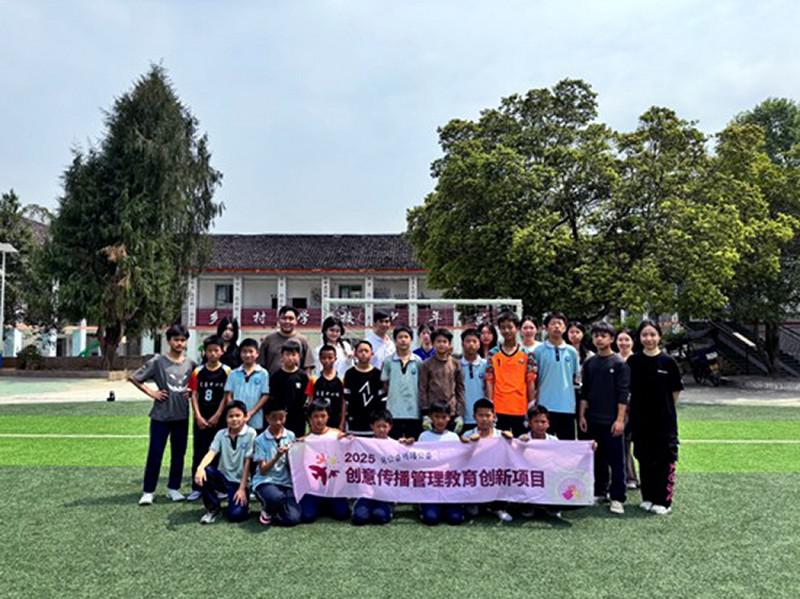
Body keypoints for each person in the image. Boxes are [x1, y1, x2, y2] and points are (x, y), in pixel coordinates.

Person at [129, 323, 196, 506]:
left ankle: (173, 488)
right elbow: (135, 377)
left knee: (179, 453)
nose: (179, 343)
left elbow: (195, 383)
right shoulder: (158, 361)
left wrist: (191, 391)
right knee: (155, 453)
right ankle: (148, 491)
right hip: (160, 417)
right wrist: (152, 393)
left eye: (183, 340)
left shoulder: (190, 363)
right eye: (176, 340)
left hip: (181, 416)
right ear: (168, 341)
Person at [627, 320, 683, 516]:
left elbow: (675, 392)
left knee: (664, 459)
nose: (648, 338)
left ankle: (663, 501)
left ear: (659, 336)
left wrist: (663, 409)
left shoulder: (668, 362)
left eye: (652, 334)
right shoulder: (633, 361)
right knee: (644, 458)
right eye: (644, 335)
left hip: (664, 421)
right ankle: (648, 497)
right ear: (639, 338)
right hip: (640, 420)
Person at [578, 321, 630, 515]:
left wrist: (620, 420)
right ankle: (600, 491)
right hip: (592, 419)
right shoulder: (589, 363)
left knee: (616, 461)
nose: (599, 339)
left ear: (611, 339)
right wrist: (582, 416)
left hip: (612, 420)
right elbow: (585, 391)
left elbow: (623, 394)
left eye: (603, 336)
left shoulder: (619, 363)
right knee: (596, 457)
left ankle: (617, 497)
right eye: (596, 336)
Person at [193, 400, 257, 524]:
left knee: (236, 515)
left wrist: (242, 488)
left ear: (245, 417)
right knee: (205, 471)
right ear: (226, 419)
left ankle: (244, 505)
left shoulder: (251, 433)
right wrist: (200, 468)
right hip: (223, 479)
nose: (234, 419)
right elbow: (211, 453)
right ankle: (213, 508)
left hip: (239, 482)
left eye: (238, 415)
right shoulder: (221, 434)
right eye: (230, 416)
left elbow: (247, 462)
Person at [187, 335, 231, 502]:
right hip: (201, 419)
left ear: (222, 351)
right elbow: (194, 394)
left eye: (216, 350)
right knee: (199, 451)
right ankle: (197, 487)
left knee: (219, 453)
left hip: (219, 419)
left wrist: (218, 415)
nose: (212, 353)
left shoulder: (227, 371)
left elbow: (226, 396)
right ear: (204, 352)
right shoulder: (198, 371)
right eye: (209, 350)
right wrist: (197, 416)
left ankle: (218, 487)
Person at [461, 398, 514, 522]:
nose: (484, 419)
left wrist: (511, 440)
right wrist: (469, 443)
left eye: (488, 415)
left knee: (506, 475)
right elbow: (461, 459)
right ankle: (473, 504)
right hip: (475, 476)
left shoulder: (501, 435)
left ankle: (498, 508)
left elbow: (514, 455)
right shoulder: (468, 434)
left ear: (494, 416)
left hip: (494, 476)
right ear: (474, 416)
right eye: (480, 415)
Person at [297, 399, 351, 523]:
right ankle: (320, 505)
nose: (319, 420)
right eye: (315, 416)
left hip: (333, 488)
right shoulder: (303, 440)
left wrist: (349, 441)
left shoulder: (337, 435)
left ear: (328, 417)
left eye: (323, 416)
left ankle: (326, 504)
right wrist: (295, 447)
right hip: (313, 489)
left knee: (343, 514)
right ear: (310, 418)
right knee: (307, 516)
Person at [485, 312, 537, 437]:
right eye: (503, 327)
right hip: (499, 407)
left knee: (521, 443)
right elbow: (489, 380)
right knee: (499, 444)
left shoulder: (527, 354)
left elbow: (530, 380)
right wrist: (490, 403)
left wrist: (531, 404)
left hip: (520, 407)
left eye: (510, 327)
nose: (506, 330)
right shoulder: (493, 353)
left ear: (517, 328)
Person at [251, 398, 301, 527]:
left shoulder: (291, 435)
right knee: (275, 498)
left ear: (286, 416)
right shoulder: (260, 440)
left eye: (281, 418)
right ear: (267, 418)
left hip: (286, 483)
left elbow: (293, 464)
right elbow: (263, 470)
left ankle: (275, 511)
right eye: (274, 418)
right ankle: (267, 508)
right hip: (265, 481)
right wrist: (277, 456)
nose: (278, 422)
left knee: (293, 519)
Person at [413, 402, 464, 526]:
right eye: (436, 417)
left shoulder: (454, 437)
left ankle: (448, 507)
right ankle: (423, 506)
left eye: (443, 417)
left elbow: (459, 462)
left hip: (449, 487)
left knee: (455, 518)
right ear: (431, 417)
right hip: (430, 487)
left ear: (449, 418)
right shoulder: (424, 436)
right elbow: (419, 461)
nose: (440, 421)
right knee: (431, 518)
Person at [533, 312, 580, 440]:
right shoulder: (538, 351)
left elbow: (575, 376)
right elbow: (534, 379)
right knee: (544, 445)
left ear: (565, 328)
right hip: (544, 406)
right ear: (546, 327)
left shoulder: (571, 351)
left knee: (566, 445)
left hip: (567, 406)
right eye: (553, 323)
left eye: (560, 324)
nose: (557, 327)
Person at [351, 409, 396, 526]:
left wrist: (407, 444)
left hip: (385, 493)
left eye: (384, 426)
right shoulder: (364, 444)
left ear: (390, 427)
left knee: (379, 516)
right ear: (372, 426)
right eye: (378, 426)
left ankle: (389, 507)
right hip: (367, 492)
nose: (381, 429)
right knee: (359, 518)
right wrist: (348, 442)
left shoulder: (395, 445)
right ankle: (360, 504)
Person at [419, 328, 465, 433]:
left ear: (449, 344)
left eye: (444, 342)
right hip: (432, 413)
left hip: (451, 412)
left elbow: (460, 389)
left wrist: (460, 414)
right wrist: (425, 413)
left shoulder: (456, 364)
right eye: (438, 341)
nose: (441, 344)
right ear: (433, 343)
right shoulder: (426, 364)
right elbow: (423, 389)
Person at [381, 325, 423, 440]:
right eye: (400, 337)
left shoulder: (418, 361)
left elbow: (421, 384)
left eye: (406, 337)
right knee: (393, 445)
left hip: (414, 411)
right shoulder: (388, 361)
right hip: (393, 411)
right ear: (395, 340)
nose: (403, 340)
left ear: (411, 339)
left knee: (413, 445)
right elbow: (385, 383)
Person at [268, 340, 314, 439]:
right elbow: (273, 397)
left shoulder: (303, 376)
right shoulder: (276, 376)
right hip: (280, 418)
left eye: (293, 355)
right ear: (281, 357)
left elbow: (306, 397)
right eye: (287, 355)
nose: (290, 358)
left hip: (298, 417)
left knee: (297, 441)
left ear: (299, 357)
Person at [224, 338, 270, 433]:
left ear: (257, 353)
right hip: (236, 419)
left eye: (251, 351)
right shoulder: (233, 373)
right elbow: (228, 395)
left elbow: (265, 395)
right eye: (244, 352)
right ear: (240, 353)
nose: (248, 355)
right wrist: (235, 412)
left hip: (255, 417)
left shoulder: (263, 373)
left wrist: (250, 413)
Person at [343, 340, 386, 436]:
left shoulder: (378, 374)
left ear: (372, 354)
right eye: (360, 351)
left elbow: (382, 402)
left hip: (373, 425)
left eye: (366, 351)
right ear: (355, 354)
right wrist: (343, 422)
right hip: (354, 424)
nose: (363, 354)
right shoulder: (350, 374)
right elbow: (346, 400)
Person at [258, 306, 315, 375]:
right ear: (278, 320)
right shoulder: (268, 339)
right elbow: (260, 365)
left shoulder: (302, 340)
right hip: (272, 380)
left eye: (291, 319)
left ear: (296, 321)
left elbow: (308, 366)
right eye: (284, 318)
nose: (287, 321)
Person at [615, 327, 638, 488]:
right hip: (618, 406)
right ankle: (627, 476)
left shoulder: (638, 360)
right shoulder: (613, 359)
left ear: (632, 342)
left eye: (627, 339)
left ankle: (632, 477)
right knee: (622, 442)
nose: (623, 343)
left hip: (636, 407)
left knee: (633, 443)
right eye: (620, 339)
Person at [459, 328, 487, 430]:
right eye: (468, 341)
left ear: (479, 344)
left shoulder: (486, 365)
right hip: (461, 417)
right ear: (462, 344)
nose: (471, 344)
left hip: (482, 417)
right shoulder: (456, 365)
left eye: (474, 341)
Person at [313, 345, 346, 430]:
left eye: (330, 358)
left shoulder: (341, 379)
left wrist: (342, 423)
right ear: (320, 359)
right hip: (319, 423)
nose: (327, 360)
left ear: (335, 358)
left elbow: (344, 402)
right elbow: (310, 402)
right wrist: (312, 423)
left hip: (336, 422)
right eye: (324, 358)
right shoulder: (314, 379)